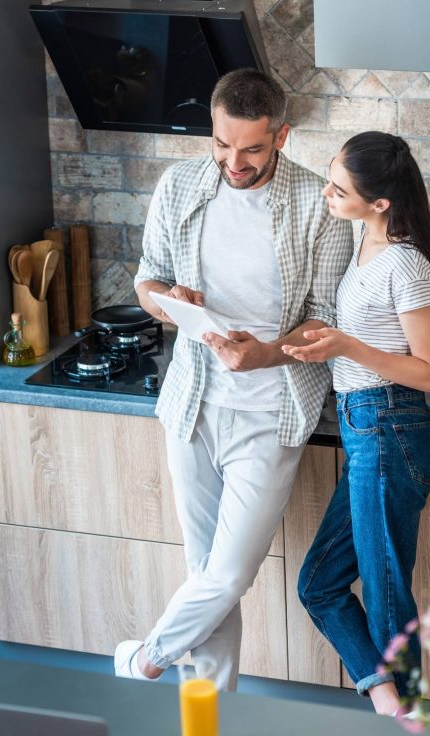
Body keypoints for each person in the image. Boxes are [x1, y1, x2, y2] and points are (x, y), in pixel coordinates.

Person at [114, 68, 353, 689]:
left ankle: (145, 661)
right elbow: (146, 279)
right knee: (204, 574)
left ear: (282, 137)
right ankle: (211, 721)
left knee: (228, 575)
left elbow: (326, 315)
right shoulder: (179, 184)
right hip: (192, 404)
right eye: (222, 144)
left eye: (251, 149)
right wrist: (168, 301)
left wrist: (268, 354)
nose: (233, 162)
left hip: (271, 411)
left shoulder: (318, 204)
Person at [282, 131, 430, 716]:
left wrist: (348, 346)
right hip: (365, 429)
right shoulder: (366, 242)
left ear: (380, 202)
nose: (327, 193)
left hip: (389, 427)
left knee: (385, 597)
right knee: (319, 584)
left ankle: (405, 727)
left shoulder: (406, 264)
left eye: (339, 189)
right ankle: (387, 699)